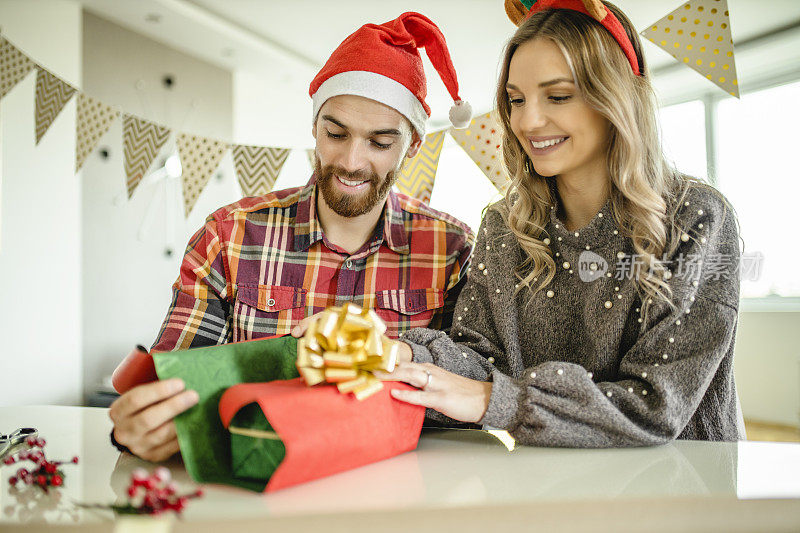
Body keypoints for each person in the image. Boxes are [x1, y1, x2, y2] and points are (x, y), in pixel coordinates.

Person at [109, 12, 475, 461]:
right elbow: (173, 378)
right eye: (335, 133)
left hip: (396, 487)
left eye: (380, 142)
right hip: (256, 480)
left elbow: (472, 392)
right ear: (314, 126)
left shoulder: (453, 249)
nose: (352, 161)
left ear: (413, 145)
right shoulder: (228, 235)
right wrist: (142, 424)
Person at [379, 0, 745, 446]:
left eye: (558, 96)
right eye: (516, 100)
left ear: (616, 98)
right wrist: (399, 354)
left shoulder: (697, 218)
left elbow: (656, 405)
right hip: (552, 489)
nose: (527, 121)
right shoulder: (503, 227)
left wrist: (494, 400)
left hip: (688, 491)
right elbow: (479, 358)